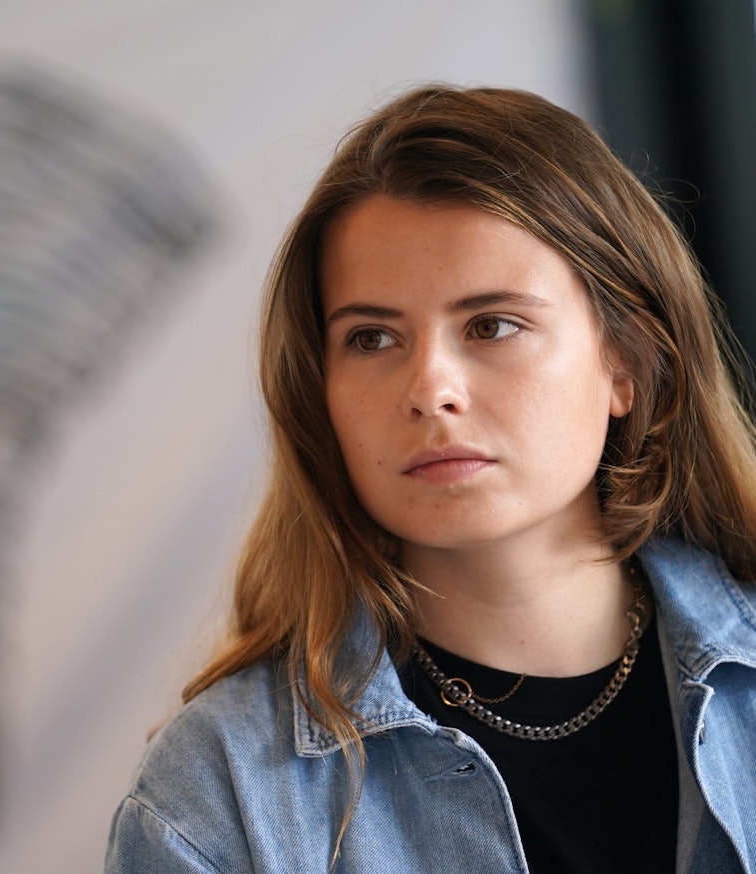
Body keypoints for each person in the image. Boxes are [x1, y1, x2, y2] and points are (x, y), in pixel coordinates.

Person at [104, 85, 756, 873]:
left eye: (491, 325)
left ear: (627, 362)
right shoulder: (215, 796)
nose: (429, 389)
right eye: (372, 338)